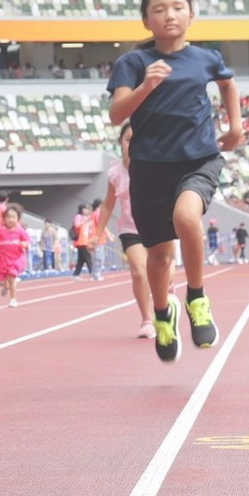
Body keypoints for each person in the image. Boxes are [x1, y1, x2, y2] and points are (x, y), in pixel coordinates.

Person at [107, 0, 241, 362]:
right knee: (161, 256)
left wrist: (235, 126)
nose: (170, 15)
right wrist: (145, 87)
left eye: (178, 7)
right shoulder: (133, 63)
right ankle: (164, 313)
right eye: (159, 9)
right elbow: (116, 114)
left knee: (187, 217)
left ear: (191, 14)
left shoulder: (206, 58)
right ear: (145, 20)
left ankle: (197, 298)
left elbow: (228, 84)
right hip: (149, 168)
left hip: (198, 159)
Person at [95, 124, 154, 338]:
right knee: (139, 271)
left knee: (163, 275)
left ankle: (165, 303)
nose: (132, 144)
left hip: (157, 227)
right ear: (121, 143)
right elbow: (108, 205)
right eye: (128, 140)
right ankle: (147, 319)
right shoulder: (115, 173)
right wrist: (97, 233)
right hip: (130, 229)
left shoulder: (155, 168)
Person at [0, 204, 30, 307]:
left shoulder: (20, 231)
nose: (10, 220)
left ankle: (13, 299)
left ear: (18, 219)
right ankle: (5, 286)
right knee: (2, 282)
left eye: (13, 217)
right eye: (8, 217)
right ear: (4, 219)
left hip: (16, 259)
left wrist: (25, 244)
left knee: (11, 277)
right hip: (1, 260)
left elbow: (27, 240)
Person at [70, 203, 96, 278]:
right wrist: (84, 221)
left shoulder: (85, 217)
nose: (87, 210)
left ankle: (76, 274)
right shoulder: (79, 216)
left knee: (81, 259)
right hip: (81, 241)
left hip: (84, 240)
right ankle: (92, 273)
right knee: (88, 257)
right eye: (86, 209)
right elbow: (76, 225)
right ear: (82, 209)